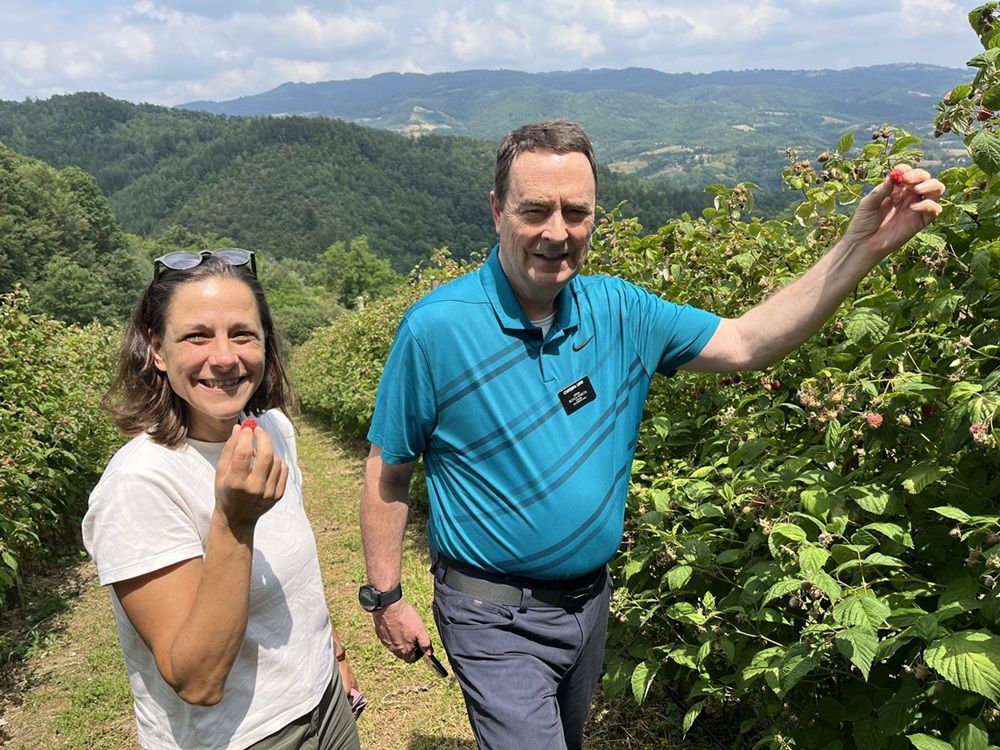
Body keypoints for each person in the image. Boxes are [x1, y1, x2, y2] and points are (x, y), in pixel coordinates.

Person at [358, 119, 945, 750]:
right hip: (490, 612)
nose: (557, 232)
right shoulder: (436, 330)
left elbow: (748, 340)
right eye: (535, 210)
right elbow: (390, 469)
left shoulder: (622, 312)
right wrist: (385, 597)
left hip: (588, 606)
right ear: (498, 210)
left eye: (576, 212)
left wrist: (862, 246)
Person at [83, 248, 362, 750]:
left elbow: (291, 575)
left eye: (242, 334)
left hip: (323, 705)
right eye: (196, 335)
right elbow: (197, 680)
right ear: (157, 350)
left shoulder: (270, 427)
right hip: (243, 736)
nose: (226, 357)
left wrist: (332, 656)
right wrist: (234, 523)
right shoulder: (140, 483)